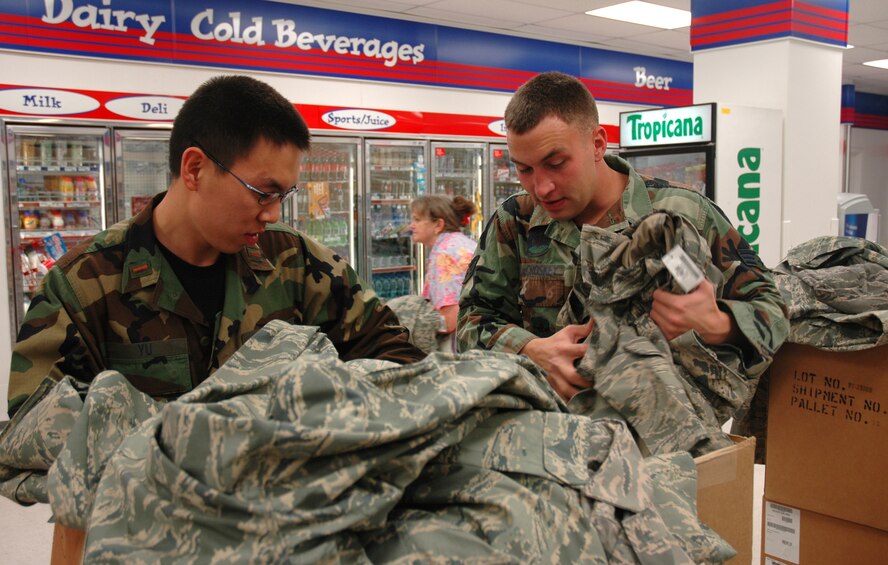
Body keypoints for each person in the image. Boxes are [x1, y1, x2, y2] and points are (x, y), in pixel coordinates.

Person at [7, 74, 426, 418]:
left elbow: (398, 355)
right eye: (263, 192)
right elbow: (33, 421)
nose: (273, 214)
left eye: (284, 195)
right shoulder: (85, 283)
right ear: (195, 169)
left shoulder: (296, 262)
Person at [457, 71, 789, 401]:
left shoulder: (681, 214)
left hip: (662, 441)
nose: (541, 187)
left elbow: (773, 312)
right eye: (524, 169)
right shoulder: (516, 221)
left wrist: (719, 323)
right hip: (549, 432)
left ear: (597, 144)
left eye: (556, 163)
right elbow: (471, 320)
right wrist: (531, 349)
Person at [408, 194, 477, 336]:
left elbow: (450, 319)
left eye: (417, 220)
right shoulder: (460, 244)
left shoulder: (445, 256)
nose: (412, 225)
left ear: (438, 225)